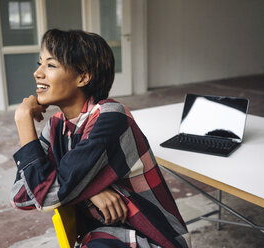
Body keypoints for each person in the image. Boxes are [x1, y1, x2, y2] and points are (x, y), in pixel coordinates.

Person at [11, 29, 191, 248]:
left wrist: (23, 120)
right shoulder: (56, 125)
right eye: (39, 64)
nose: (37, 73)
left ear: (83, 77)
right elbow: (22, 196)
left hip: (151, 238)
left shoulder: (111, 117)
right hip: (103, 234)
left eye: (50, 65)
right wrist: (90, 190)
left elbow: (45, 194)